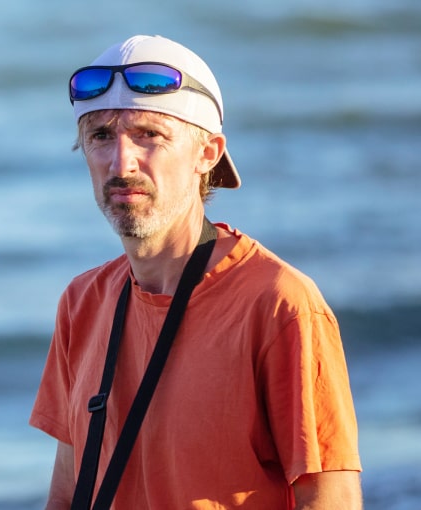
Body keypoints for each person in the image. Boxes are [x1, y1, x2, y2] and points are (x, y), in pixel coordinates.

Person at [30, 35, 362, 509]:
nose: (121, 162)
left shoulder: (280, 304)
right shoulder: (83, 301)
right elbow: (66, 493)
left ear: (207, 154)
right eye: (101, 136)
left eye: (149, 135)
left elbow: (331, 500)